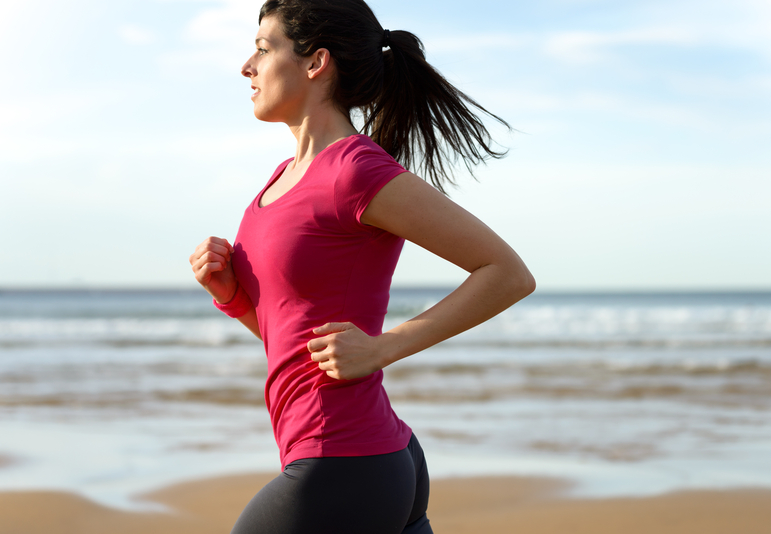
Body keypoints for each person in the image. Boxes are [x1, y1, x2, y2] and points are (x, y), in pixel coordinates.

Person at [188, 1, 535, 532]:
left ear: (315, 62)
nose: (246, 67)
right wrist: (232, 294)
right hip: (363, 458)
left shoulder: (355, 170)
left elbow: (507, 273)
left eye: (262, 48)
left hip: (344, 460)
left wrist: (383, 347)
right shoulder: (280, 177)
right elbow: (295, 338)